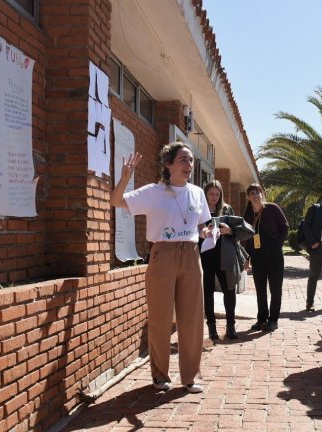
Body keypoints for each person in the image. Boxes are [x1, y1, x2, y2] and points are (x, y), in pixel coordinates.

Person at [110, 143, 212, 394]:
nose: (189, 165)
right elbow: (115, 200)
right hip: (163, 255)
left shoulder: (198, 193)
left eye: (190, 161)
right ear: (169, 164)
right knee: (160, 318)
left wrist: (207, 231)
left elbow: (203, 224)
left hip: (190, 255)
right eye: (183, 160)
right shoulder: (154, 192)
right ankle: (160, 376)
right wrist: (124, 178)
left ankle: (189, 377)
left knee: (192, 319)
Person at [200, 180, 254, 340]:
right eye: (211, 193)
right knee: (207, 292)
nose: (214, 197)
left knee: (229, 290)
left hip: (225, 255)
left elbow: (238, 231)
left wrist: (229, 230)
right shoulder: (199, 209)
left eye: (217, 194)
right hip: (206, 256)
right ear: (206, 194)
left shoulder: (227, 209)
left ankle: (231, 326)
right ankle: (212, 327)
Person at [243, 183, 289, 332]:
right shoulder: (248, 213)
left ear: (262, 193)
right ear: (248, 197)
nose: (255, 196)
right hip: (257, 257)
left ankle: (273, 319)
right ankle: (261, 318)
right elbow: (246, 237)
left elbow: (285, 227)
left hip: (274, 255)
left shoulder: (272, 209)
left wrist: (278, 244)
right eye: (252, 193)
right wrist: (247, 256)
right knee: (260, 289)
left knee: (275, 289)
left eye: (257, 192)